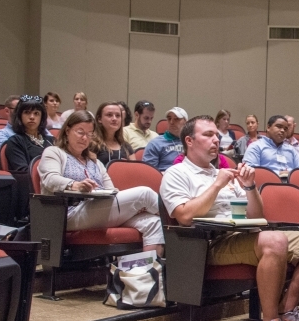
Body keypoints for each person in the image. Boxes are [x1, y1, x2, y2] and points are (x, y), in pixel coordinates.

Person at [160, 115, 299, 321]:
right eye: (207, 135)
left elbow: (255, 214)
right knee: (275, 241)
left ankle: (286, 309)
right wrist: (216, 185)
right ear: (189, 141)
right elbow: (184, 216)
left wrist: (249, 187)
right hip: (205, 244)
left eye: (216, 135)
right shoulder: (176, 174)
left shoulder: (224, 172)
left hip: (238, 236)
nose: (215, 139)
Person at [38, 110, 164, 256]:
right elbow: (50, 179)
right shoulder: (54, 152)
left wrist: (131, 207)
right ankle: (178, 221)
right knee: (144, 193)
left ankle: (148, 273)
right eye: (80, 132)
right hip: (68, 213)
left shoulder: (94, 161)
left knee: (153, 223)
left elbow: (111, 190)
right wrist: (75, 184)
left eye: (89, 134)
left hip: (98, 211)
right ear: (67, 130)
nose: (85, 138)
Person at [4, 95, 55, 172]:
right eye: (27, 112)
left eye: (36, 113)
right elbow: (23, 172)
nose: (32, 117)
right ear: (20, 116)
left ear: (42, 117)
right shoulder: (15, 141)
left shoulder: (51, 140)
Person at [143, 107, 187, 172]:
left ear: (186, 122)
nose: (172, 122)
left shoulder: (191, 142)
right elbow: (149, 172)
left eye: (176, 119)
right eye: (169, 118)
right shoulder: (155, 144)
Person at [91, 101, 135, 166]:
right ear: (99, 119)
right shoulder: (91, 145)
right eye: (109, 115)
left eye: (118, 116)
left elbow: (134, 170)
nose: (114, 118)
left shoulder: (126, 147)